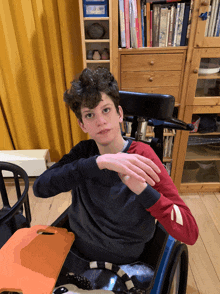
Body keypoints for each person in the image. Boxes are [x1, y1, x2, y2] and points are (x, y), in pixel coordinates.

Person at [33, 67, 198, 265]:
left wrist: (144, 190)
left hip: (123, 259)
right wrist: (99, 163)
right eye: (90, 115)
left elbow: (190, 232)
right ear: (82, 125)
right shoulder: (84, 153)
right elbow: (40, 188)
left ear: (119, 113)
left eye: (106, 110)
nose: (101, 121)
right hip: (75, 249)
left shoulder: (143, 157)